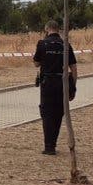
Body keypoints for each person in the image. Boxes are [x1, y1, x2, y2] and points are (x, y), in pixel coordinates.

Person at [33, 20, 78, 155]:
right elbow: (74, 68)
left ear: (47, 29)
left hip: (47, 83)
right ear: (58, 30)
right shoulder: (65, 45)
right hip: (61, 83)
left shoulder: (42, 44)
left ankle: (49, 146)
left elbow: (36, 63)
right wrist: (73, 87)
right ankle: (53, 142)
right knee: (58, 113)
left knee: (47, 113)